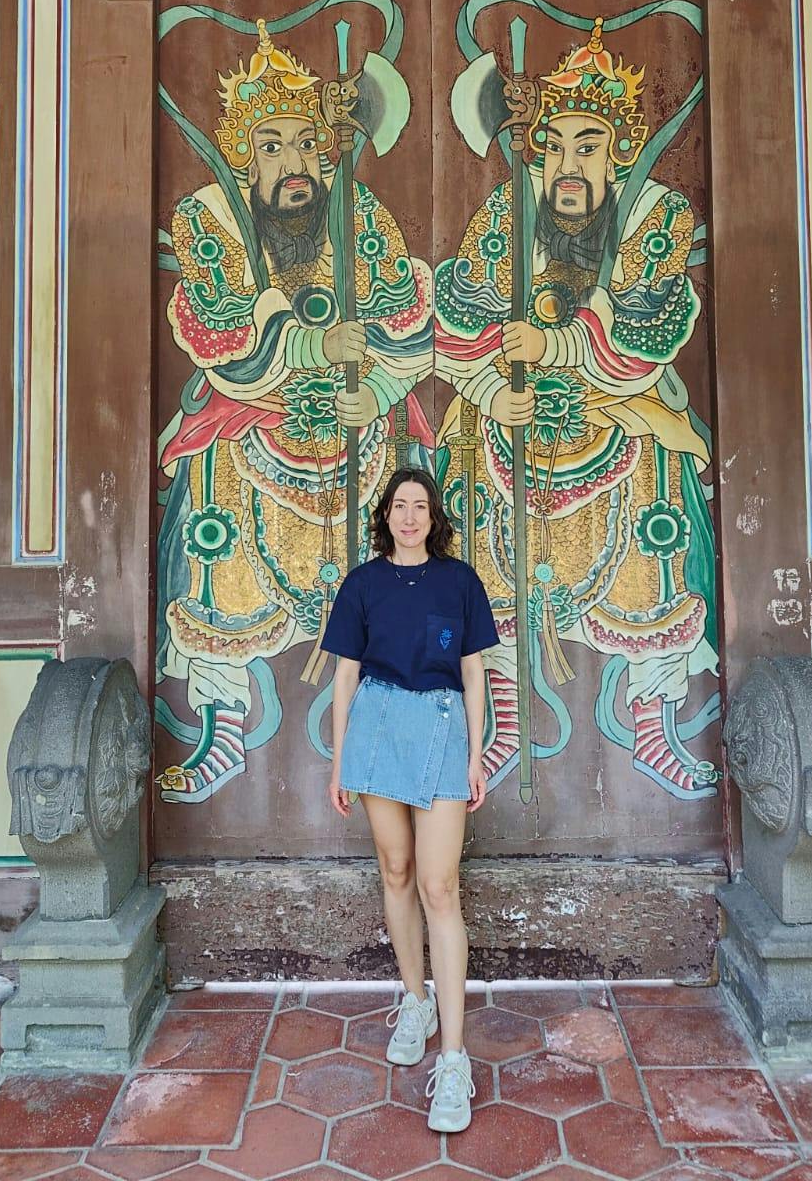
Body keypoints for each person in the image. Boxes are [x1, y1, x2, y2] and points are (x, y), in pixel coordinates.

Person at [435, 19, 718, 799]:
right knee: (476, 519)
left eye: (586, 147)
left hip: (620, 405)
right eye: (553, 146)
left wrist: (556, 344)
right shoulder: (510, 210)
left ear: (617, 151)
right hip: (516, 416)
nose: (567, 165)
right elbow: (457, 322)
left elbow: (647, 329)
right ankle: (501, 723)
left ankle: (653, 727)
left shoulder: (656, 214)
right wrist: (491, 387)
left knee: (655, 521)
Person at [155, 21, 432, 800]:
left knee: (409, 494)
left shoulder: (355, 209)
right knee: (214, 509)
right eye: (272, 146)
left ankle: (399, 721)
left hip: (353, 418)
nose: (293, 164)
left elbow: (403, 316)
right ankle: (222, 728)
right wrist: (311, 344)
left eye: (307, 144)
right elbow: (221, 324)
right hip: (253, 411)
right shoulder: (210, 216)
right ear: (245, 155)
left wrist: (375, 382)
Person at [324, 466, 494, 1133]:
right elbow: (345, 677)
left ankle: (453, 1059)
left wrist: (476, 754)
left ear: (434, 516)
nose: (411, 516)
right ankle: (415, 1001)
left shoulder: (460, 581)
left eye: (421, 505)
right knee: (395, 871)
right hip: (377, 729)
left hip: (444, 730)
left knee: (438, 885)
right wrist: (340, 761)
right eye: (400, 505)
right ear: (386, 516)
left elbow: (474, 674)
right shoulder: (362, 584)